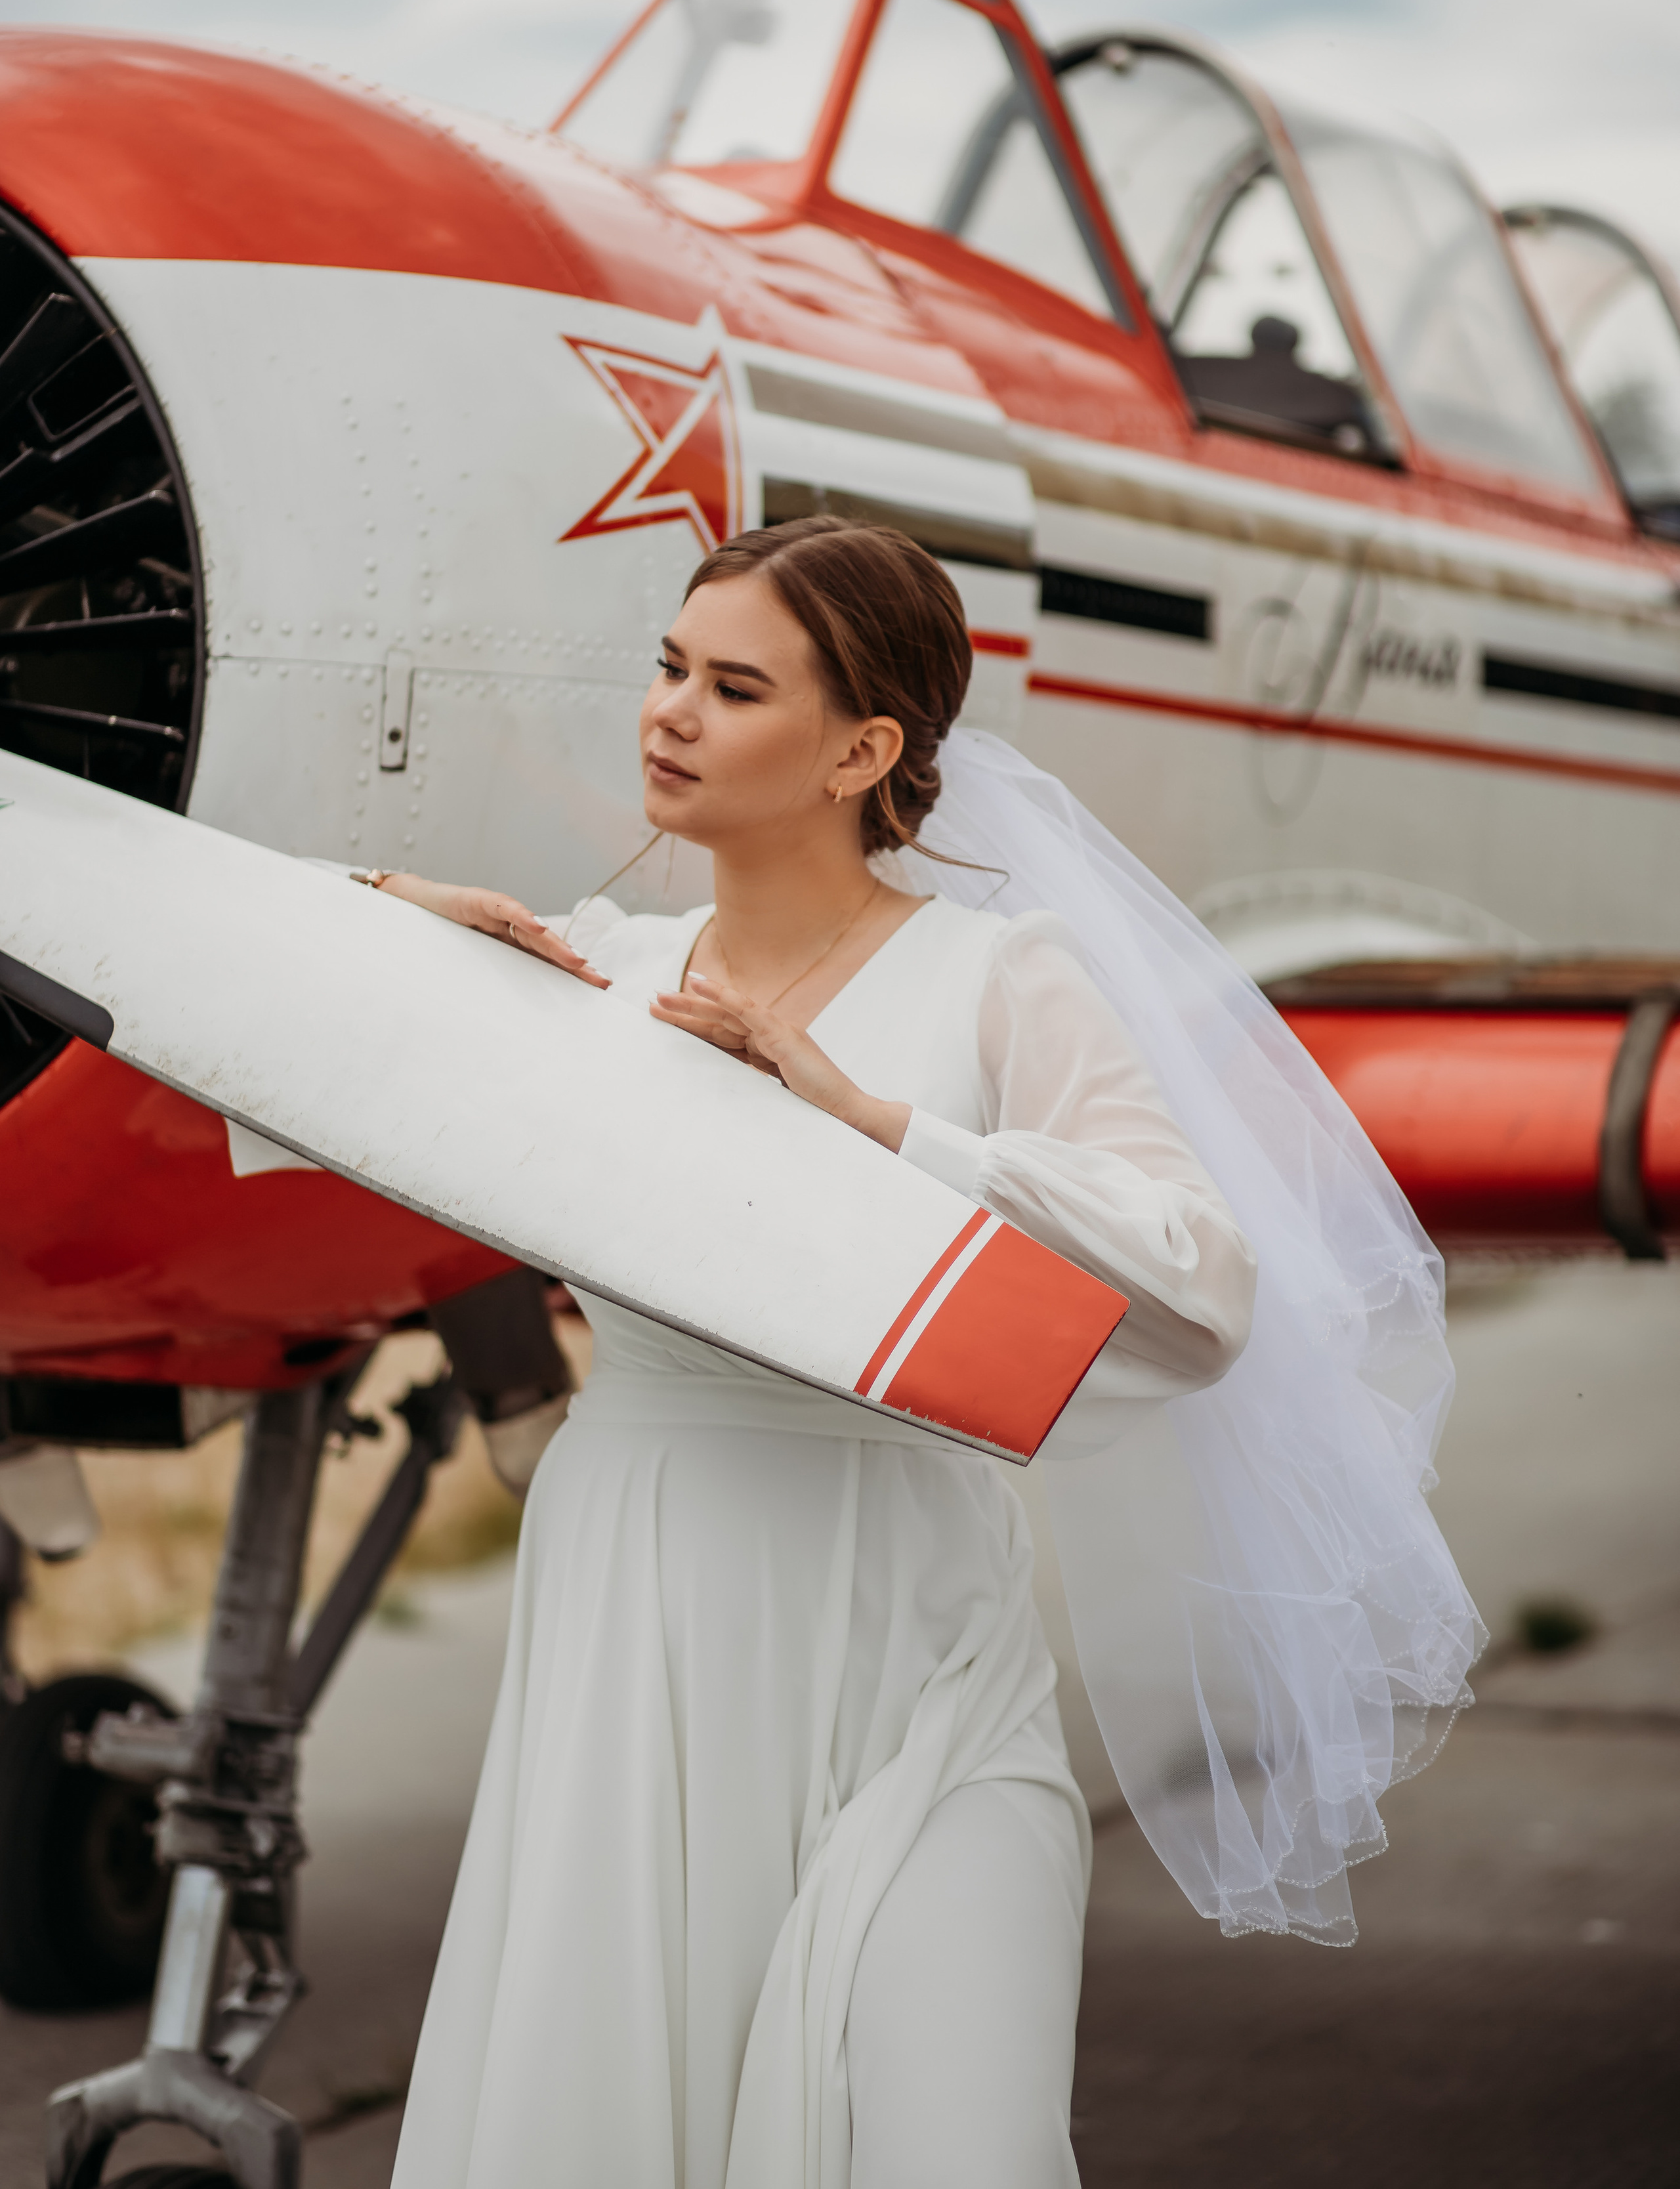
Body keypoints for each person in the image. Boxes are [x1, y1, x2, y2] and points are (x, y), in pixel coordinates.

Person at [380, 515, 1478, 2189]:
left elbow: (1202, 1291)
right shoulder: (586, 972)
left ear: (862, 750)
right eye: (668, 668)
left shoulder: (999, 977)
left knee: (958, 2142)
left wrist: (879, 1127)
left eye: (734, 686)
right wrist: (379, 932)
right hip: (636, 1593)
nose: (670, 712)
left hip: (920, 1652)